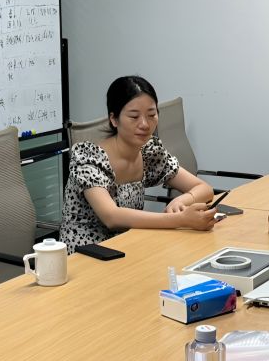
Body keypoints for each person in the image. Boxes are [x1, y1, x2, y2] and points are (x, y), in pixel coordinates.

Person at [60, 75, 218, 253]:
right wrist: (181, 220)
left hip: (128, 245)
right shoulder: (88, 158)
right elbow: (112, 217)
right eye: (134, 117)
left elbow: (204, 188)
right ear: (114, 119)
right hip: (86, 253)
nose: (145, 124)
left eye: (151, 115)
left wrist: (181, 200)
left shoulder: (149, 152)